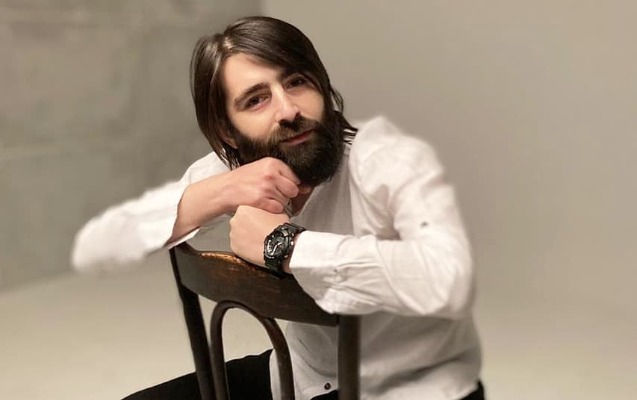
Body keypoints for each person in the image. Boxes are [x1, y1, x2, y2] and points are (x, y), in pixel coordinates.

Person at [72, 16, 485, 400]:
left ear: (322, 87)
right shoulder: (233, 169)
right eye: (256, 100)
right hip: (296, 379)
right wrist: (219, 192)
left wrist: (284, 245)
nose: (288, 110)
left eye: (297, 82)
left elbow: (450, 282)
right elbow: (97, 246)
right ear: (227, 132)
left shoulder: (389, 163)